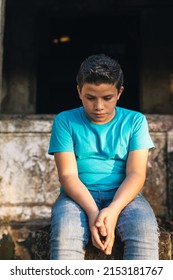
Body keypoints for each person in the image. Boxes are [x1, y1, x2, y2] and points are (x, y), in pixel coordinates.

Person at [48, 53, 159, 260]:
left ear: (119, 92)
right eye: (90, 97)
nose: (99, 106)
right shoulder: (65, 121)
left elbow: (136, 173)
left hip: (125, 196)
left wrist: (114, 210)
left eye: (107, 98)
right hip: (76, 197)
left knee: (144, 229)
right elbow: (68, 176)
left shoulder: (135, 121)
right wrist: (93, 212)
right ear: (79, 91)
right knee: (65, 233)